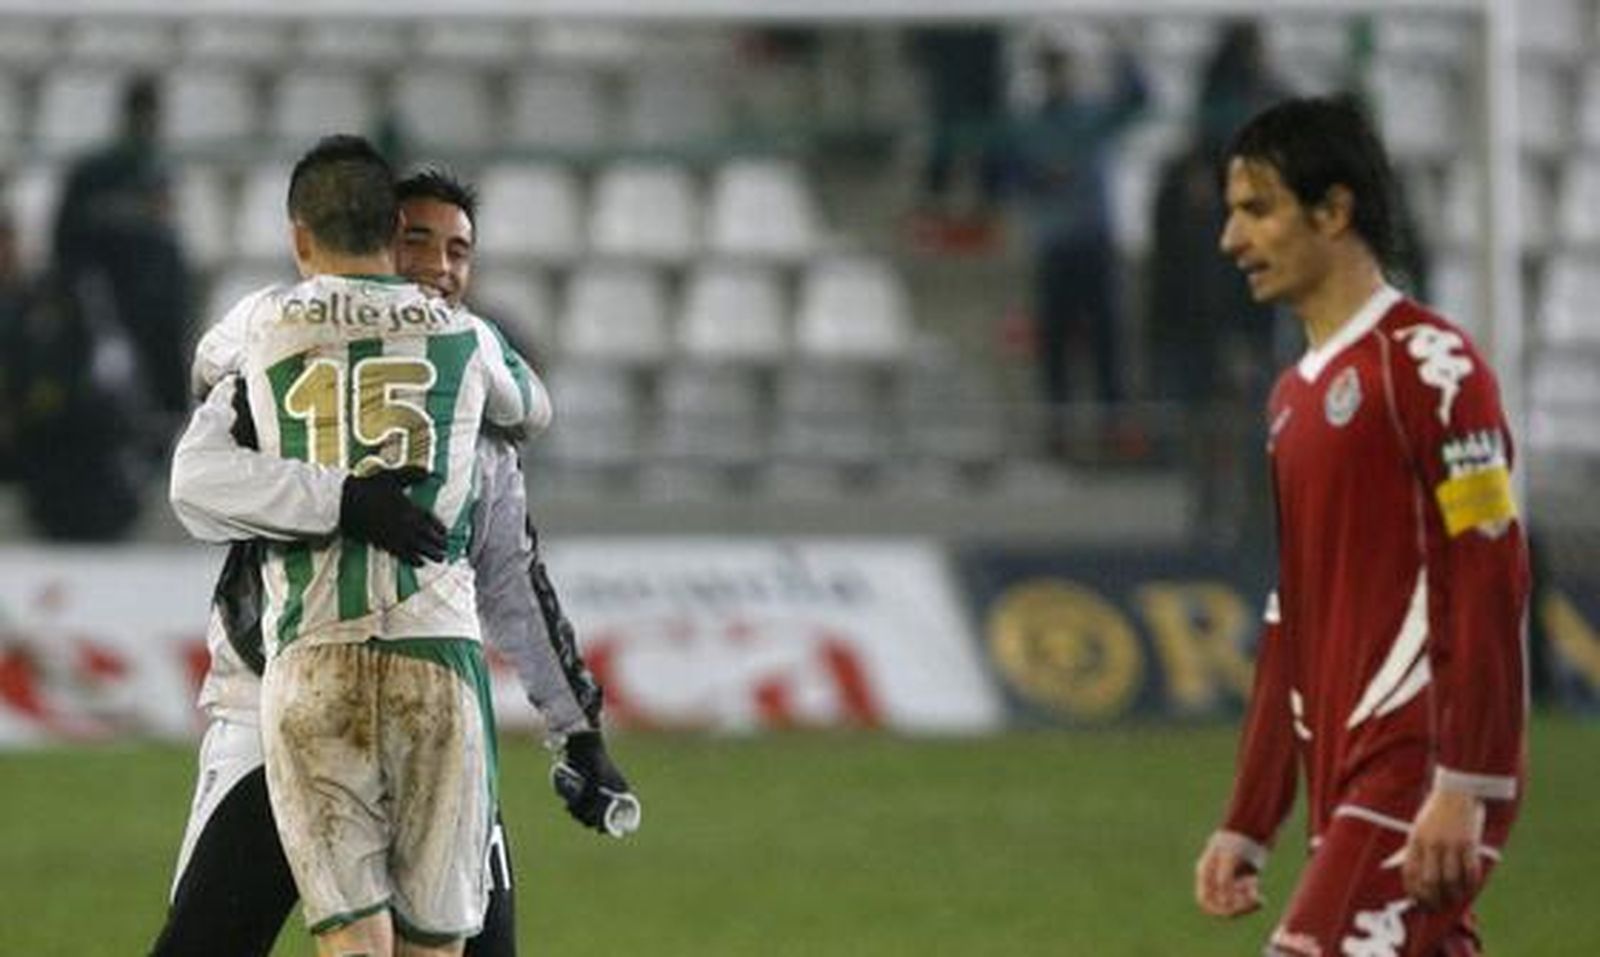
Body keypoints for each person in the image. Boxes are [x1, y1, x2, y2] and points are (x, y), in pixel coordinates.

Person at [155, 169, 632, 956]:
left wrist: (575, 729)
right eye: (419, 240)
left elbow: (511, 574)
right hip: (272, 707)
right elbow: (201, 456)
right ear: (374, 242)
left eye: (460, 252)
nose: (442, 268)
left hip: (425, 696)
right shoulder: (274, 358)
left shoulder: (469, 410)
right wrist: (342, 494)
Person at [1192, 97, 1530, 955]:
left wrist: (1467, 778)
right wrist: (1250, 815)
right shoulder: (1292, 397)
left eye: (1257, 210)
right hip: (1347, 778)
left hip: (1419, 764)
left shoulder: (1428, 365)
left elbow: (1489, 567)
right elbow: (1290, 618)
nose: (1233, 241)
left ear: (1334, 211)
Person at [1005, 39, 1148, 455]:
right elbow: (1009, 179)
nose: (1056, 79)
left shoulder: (1088, 116)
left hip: (1092, 242)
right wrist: (1042, 178)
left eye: (1061, 70)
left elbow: (1136, 103)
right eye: (1050, 71)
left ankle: (1112, 427)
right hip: (1054, 247)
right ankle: (1059, 431)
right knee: (1055, 344)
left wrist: (1124, 51)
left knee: (1107, 340)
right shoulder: (1029, 127)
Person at [51, 73, 192, 419]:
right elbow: (68, 249)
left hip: (149, 314)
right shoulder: (96, 174)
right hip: (103, 311)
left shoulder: (157, 172)